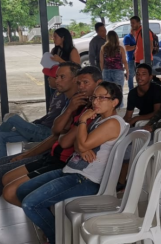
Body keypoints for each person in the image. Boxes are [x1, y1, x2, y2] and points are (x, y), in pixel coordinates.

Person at [16, 81, 126, 244]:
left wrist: (82, 122)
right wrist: (82, 147)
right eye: (94, 97)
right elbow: (76, 144)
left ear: (114, 102)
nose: (95, 102)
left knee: (30, 204)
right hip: (72, 171)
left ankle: (57, 239)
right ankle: (58, 230)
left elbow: (80, 143)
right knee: (22, 190)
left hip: (85, 179)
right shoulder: (99, 120)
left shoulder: (113, 122)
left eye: (101, 98)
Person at [2, 66, 102, 204]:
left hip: (64, 162)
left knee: (11, 190)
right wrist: (69, 109)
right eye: (79, 83)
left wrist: (65, 133)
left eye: (86, 83)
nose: (81, 87)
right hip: (53, 155)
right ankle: (41, 213)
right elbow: (57, 131)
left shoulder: (93, 112)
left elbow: (64, 140)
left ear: (98, 83)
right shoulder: (79, 104)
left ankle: (44, 216)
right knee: (7, 178)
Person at [0, 65, 69, 158]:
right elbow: (49, 115)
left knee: (11, 117)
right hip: (39, 128)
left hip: (46, 133)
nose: (48, 79)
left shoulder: (66, 96)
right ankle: (3, 165)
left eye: (50, 77)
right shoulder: (55, 94)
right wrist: (36, 122)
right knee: (1, 136)